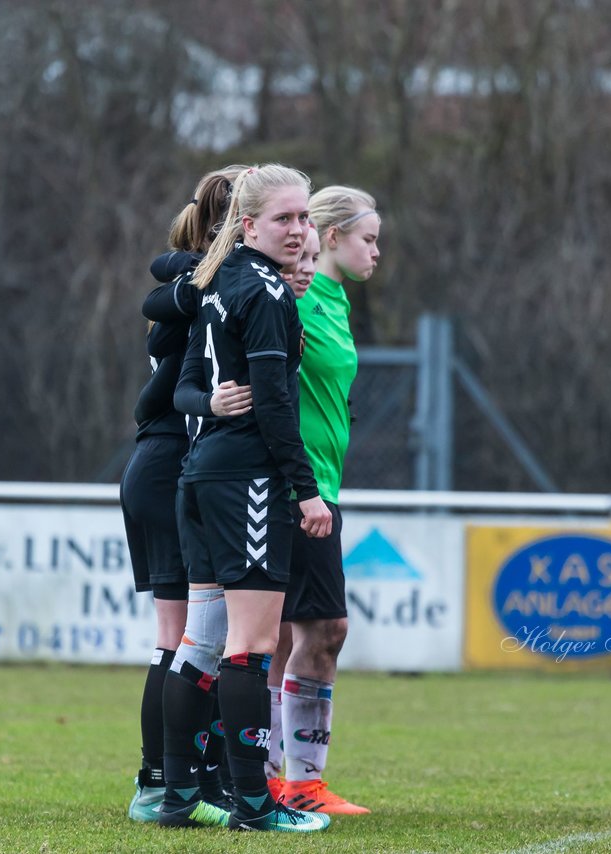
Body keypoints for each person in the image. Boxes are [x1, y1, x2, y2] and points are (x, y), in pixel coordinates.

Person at [161, 163, 333, 833]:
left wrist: (209, 403)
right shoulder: (265, 291)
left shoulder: (219, 279)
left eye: (304, 218)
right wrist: (305, 490)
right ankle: (255, 805)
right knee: (253, 645)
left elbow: (188, 386)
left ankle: (177, 795)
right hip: (247, 481)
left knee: (201, 644)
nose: (298, 230)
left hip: (202, 475)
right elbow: (276, 404)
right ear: (250, 224)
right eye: (285, 219)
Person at [121, 166, 247, 824]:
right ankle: (163, 783)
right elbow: (161, 389)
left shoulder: (197, 283)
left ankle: (197, 781)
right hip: (171, 463)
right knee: (182, 637)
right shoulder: (203, 291)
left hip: (170, 462)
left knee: (204, 637)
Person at [264, 187, 379, 816]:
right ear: (331, 237)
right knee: (316, 631)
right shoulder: (298, 302)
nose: (377, 251)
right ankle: (288, 783)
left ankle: (284, 782)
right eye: (368, 237)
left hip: (318, 489)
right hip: (293, 490)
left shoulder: (327, 300)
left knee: (289, 636)